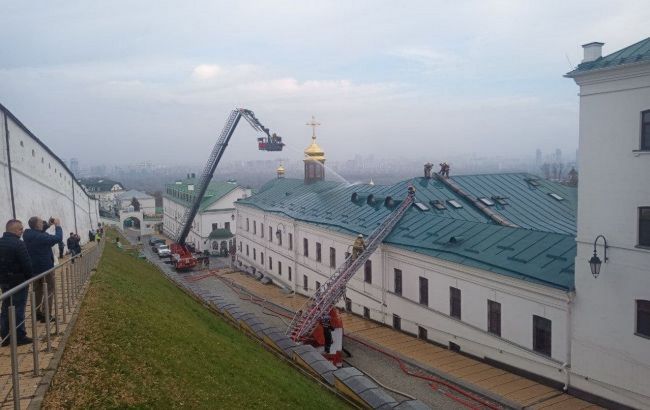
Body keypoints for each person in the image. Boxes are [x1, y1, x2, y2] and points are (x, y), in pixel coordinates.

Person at [0, 219, 34, 346]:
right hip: (19, 282)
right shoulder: (19, 244)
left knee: (5, 308)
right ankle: (19, 336)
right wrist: (29, 278)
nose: (22, 231)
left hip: (4, 282)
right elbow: (27, 264)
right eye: (20, 229)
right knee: (18, 309)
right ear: (14, 230)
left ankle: (5, 336)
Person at [23, 217, 62, 323]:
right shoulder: (41, 237)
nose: (43, 223)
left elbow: (38, 233)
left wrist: (48, 225)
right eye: (41, 222)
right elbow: (58, 238)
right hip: (45, 268)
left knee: (37, 291)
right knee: (49, 289)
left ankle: (37, 313)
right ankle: (46, 314)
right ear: (37, 225)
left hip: (34, 268)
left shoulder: (27, 234)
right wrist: (57, 226)